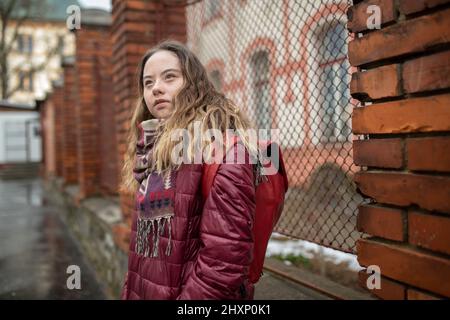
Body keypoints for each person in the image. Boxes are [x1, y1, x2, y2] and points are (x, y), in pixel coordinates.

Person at [120, 40, 259, 300]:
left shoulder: (224, 152)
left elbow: (223, 263)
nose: (156, 88)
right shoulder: (150, 150)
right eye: (148, 83)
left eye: (169, 77)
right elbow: (142, 254)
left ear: (193, 82)